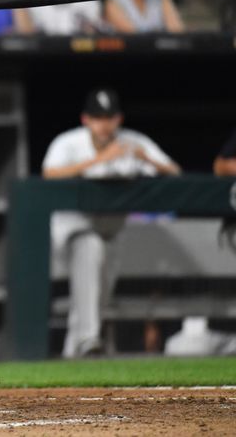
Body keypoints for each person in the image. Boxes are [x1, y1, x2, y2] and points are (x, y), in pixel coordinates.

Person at [42, 88, 181, 358]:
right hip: (73, 228)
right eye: (97, 117)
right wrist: (98, 160)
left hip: (111, 231)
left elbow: (174, 172)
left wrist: (147, 159)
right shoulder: (68, 143)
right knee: (90, 250)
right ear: (86, 119)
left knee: (96, 298)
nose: (103, 124)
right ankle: (88, 339)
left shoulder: (132, 142)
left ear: (118, 119)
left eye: (109, 117)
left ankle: (74, 354)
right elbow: (49, 174)